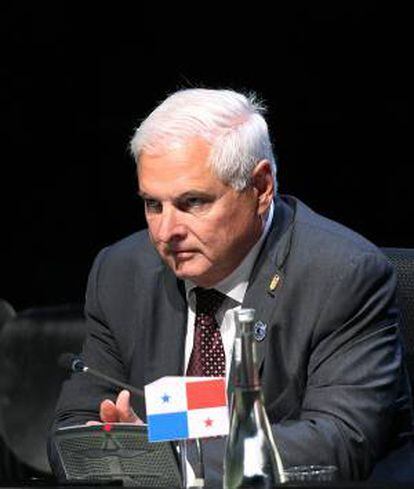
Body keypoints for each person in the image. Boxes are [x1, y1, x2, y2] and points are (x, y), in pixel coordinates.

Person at [49, 88, 413, 483]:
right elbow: (72, 428)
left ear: (260, 187)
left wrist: (170, 460)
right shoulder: (120, 273)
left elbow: (340, 441)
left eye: (193, 203)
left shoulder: (343, 274)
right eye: (153, 205)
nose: (166, 231)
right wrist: (101, 445)